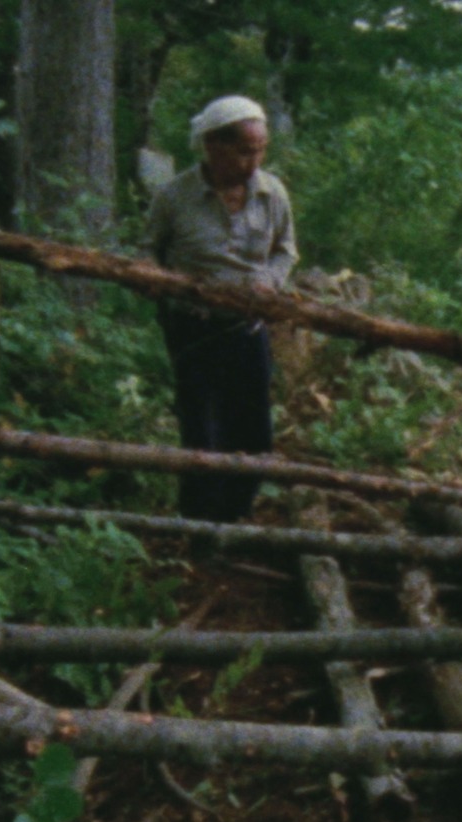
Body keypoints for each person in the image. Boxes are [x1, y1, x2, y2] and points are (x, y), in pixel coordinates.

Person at [146, 95, 297, 523]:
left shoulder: (272, 194)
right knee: (203, 432)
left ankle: (235, 517)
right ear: (213, 146)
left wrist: (269, 282)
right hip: (194, 329)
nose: (254, 160)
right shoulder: (174, 197)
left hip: (247, 331)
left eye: (261, 149)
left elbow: (285, 251)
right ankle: (198, 522)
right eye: (245, 150)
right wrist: (155, 281)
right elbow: (147, 251)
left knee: (253, 433)